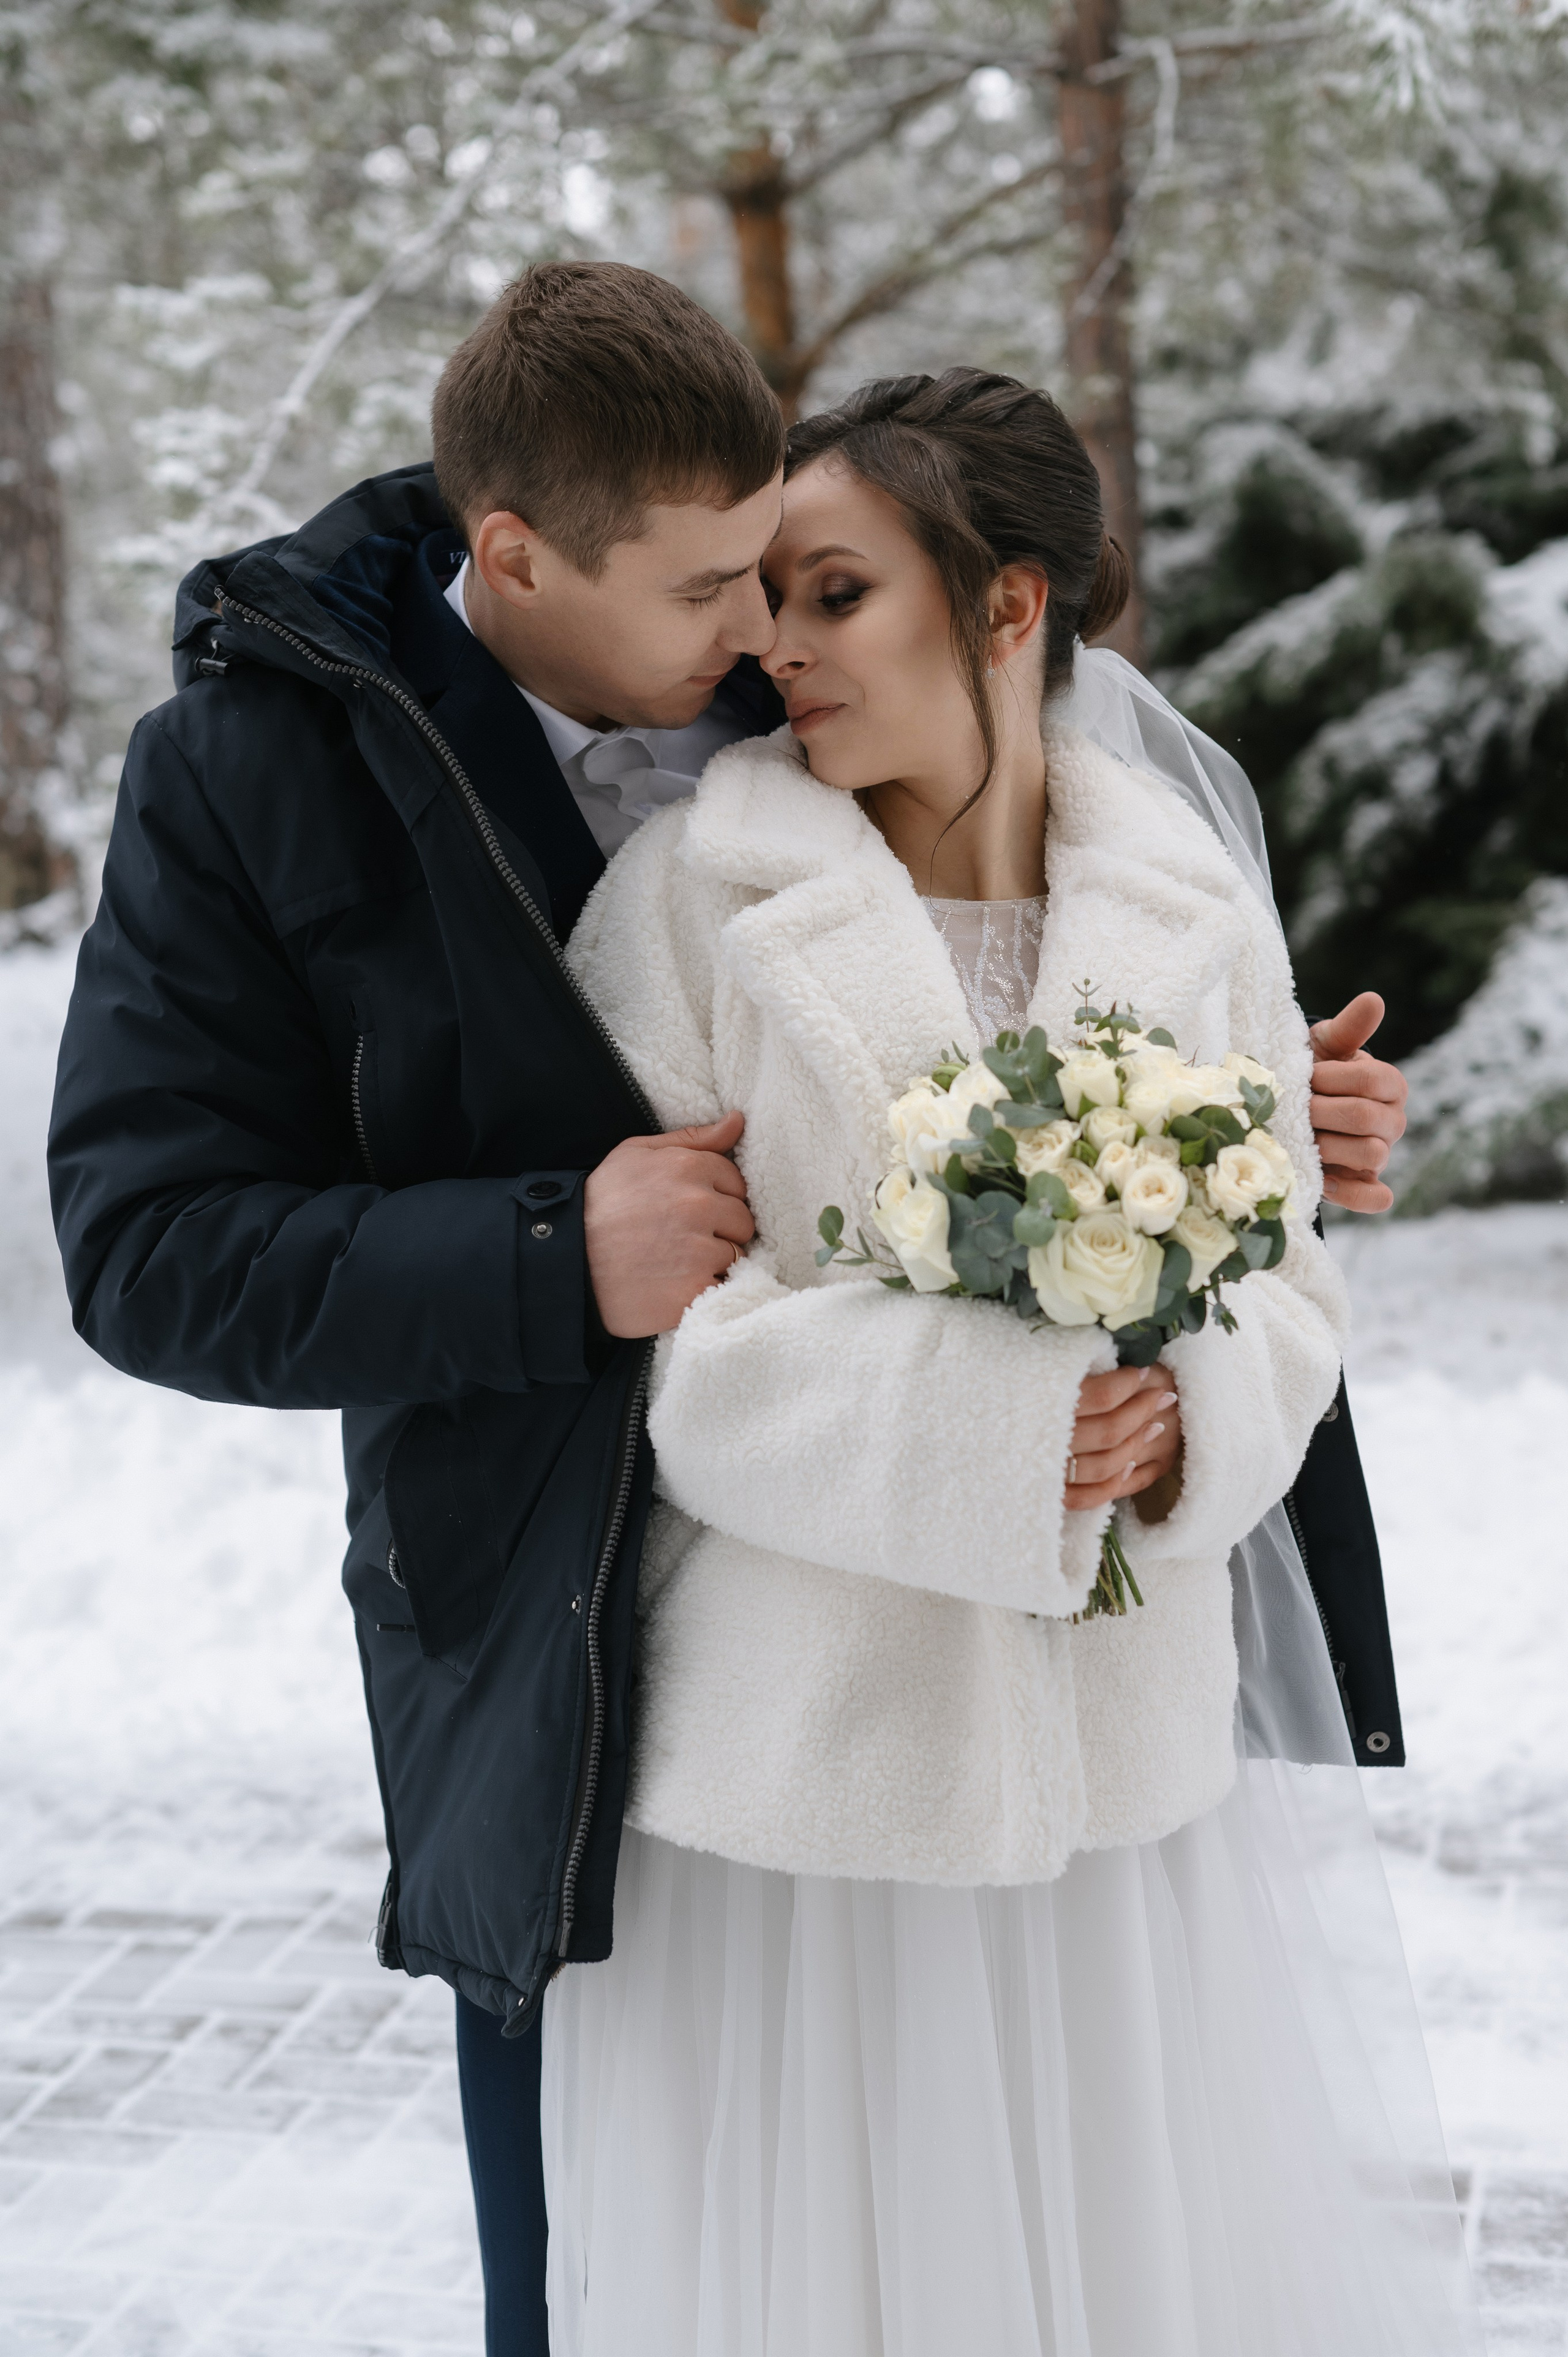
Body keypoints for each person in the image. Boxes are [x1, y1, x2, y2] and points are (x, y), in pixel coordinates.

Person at [45, 265, 1409, 2357]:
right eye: (713, 595)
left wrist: (1253, 1134)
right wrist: (540, 1254)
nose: (759, 646)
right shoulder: (255, 776)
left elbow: (1041, 901)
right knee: (620, 2263)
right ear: (516, 557)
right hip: (566, 1628)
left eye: (789, 576)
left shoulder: (813, 666)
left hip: (1030, 1687)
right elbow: (149, 1246)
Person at [546, 368, 1477, 2354]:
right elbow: (669, 1349)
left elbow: (1287, 1288)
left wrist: (1170, 1442)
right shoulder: (689, 902)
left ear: (1008, 604)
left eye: (835, 593)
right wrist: (991, 1430)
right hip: (823, 1788)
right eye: (768, 599)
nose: (774, 648)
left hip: (1121, 1780)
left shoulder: (1185, 901)